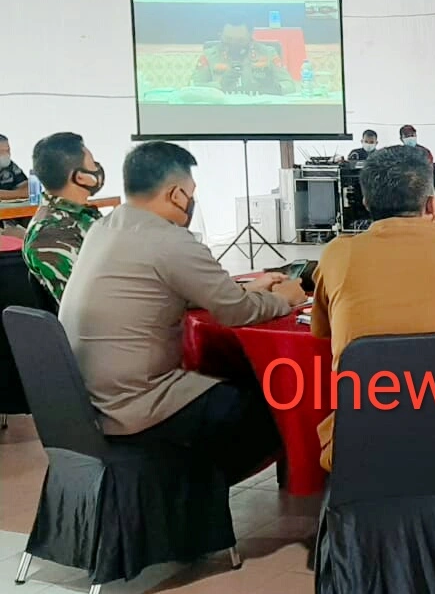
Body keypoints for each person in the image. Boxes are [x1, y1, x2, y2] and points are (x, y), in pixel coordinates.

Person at [60, 141, 307, 485]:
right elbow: (236, 312)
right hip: (138, 406)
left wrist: (250, 287)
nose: (191, 201)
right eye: (191, 193)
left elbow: (168, 289)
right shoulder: (171, 241)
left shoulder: (106, 227)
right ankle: (191, 496)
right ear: (176, 194)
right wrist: (287, 299)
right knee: (280, 408)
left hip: (89, 400)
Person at [310, 145, 435, 472]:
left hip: (360, 432)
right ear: (431, 202)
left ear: (366, 202)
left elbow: (319, 331)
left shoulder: (337, 254)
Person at [22, 132, 106, 303]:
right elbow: (86, 305)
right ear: (80, 177)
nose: (97, 169)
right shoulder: (51, 235)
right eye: (92, 164)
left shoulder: (79, 215)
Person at [191, 17, 296, 95]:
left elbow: (290, 86)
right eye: (229, 39)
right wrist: (219, 85)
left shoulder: (268, 53)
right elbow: (193, 87)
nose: (234, 44)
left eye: (240, 40)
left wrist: (275, 87)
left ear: (250, 35)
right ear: (220, 35)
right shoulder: (209, 55)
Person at [399, 124, 435, 200]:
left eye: (412, 135)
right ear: (401, 138)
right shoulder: (398, 153)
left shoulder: (424, 152)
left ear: (416, 135)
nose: (410, 138)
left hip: (425, 188)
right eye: (407, 136)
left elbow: (430, 169)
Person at [0, 134, 29, 201]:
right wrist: (19, 194)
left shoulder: (10, 165)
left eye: (7, 150)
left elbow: (28, 189)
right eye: (1, 151)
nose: (6, 155)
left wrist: (8, 195)